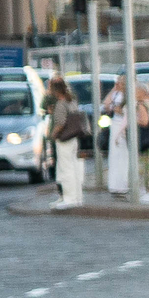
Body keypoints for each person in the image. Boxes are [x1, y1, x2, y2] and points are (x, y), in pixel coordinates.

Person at [45, 76, 88, 209]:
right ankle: (76, 197)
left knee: (66, 168)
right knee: (73, 167)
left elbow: (60, 123)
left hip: (64, 139)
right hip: (73, 138)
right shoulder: (72, 101)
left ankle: (69, 198)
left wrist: (53, 135)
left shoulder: (61, 104)